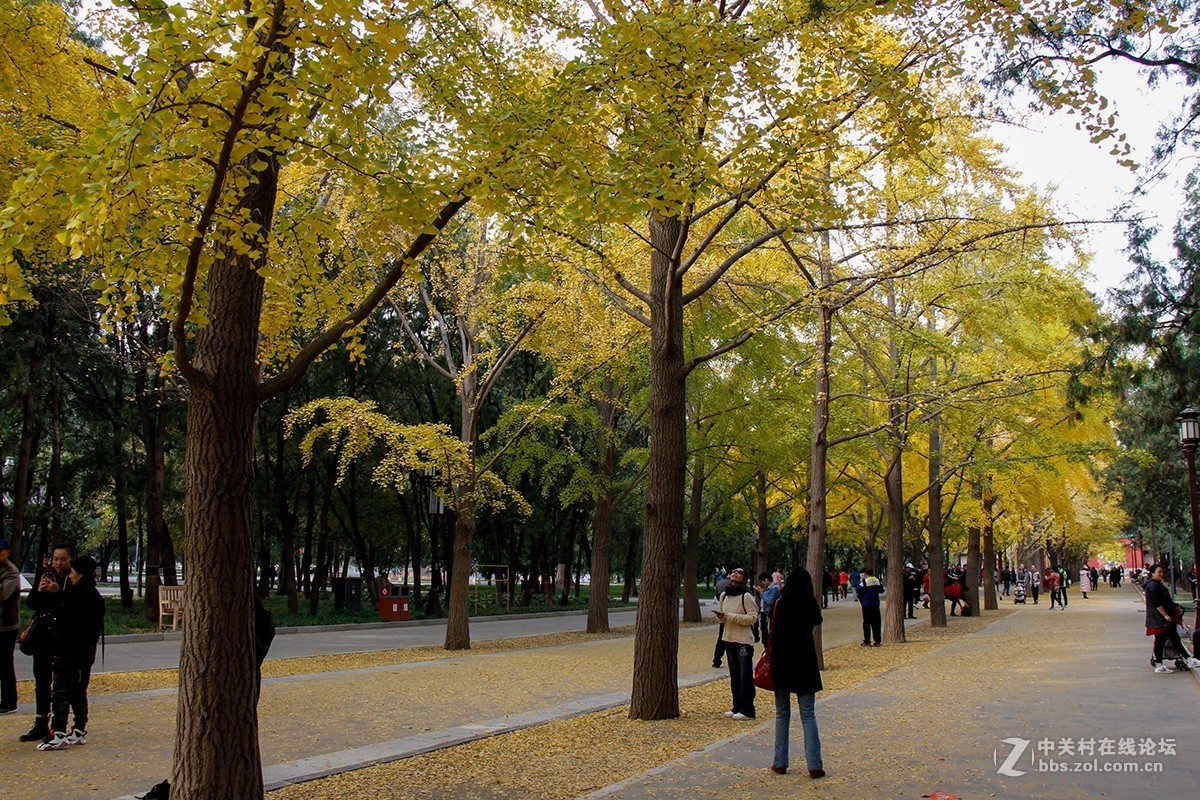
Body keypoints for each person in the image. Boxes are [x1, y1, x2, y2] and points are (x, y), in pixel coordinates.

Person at [38, 555, 105, 750]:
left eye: (73, 573)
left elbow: (68, 617)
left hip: (69, 650)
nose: (70, 576)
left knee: (60, 689)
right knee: (78, 690)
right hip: (85, 652)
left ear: (81, 574)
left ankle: (58, 731)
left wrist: (57, 594)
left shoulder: (77, 595)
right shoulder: (93, 596)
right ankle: (79, 729)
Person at [768, 567, 824, 779]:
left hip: (782, 662)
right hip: (805, 663)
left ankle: (780, 762)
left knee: (782, 714)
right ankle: (814, 765)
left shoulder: (780, 604)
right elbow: (817, 621)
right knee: (808, 715)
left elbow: (770, 630)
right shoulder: (809, 603)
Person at [20, 543, 73, 743]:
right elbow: (32, 604)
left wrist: (58, 592)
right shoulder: (46, 576)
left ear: (70, 560)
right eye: (56, 559)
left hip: (62, 639)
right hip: (43, 637)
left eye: (63, 559)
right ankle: (40, 722)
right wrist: (41, 591)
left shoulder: (73, 579)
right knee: (41, 680)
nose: (59, 563)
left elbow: (72, 608)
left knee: (61, 684)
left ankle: (60, 725)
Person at [715, 567, 758, 719]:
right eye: (734, 571)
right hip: (729, 638)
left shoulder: (746, 596)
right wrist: (721, 617)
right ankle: (737, 706)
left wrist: (731, 616)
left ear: (744, 579)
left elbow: (753, 617)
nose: (735, 573)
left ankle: (748, 709)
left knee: (745, 674)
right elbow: (722, 618)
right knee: (734, 675)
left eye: (740, 572)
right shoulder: (724, 595)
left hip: (743, 641)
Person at [1144, 564, 1200, 673]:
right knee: (1169, 640)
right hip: (1160, 620)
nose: (1161, 574)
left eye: (1162, 572)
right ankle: (1186, 660)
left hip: (1160, 619)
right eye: (1158, 572)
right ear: (1152, 573)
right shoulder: (1153, 586)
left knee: (1166, 640)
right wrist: (1165, 615)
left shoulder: (1154, 585)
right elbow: (1157, 603)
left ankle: (1162, 664)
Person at [0, 539, 20, 714]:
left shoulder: (11, 572)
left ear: (7, 552)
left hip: (6, 626)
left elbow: (2, 594)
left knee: (5, 663)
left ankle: (9, 702)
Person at [856, 568, 884, 646]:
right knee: (876, 623)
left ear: (865, 573)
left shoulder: (865, 581)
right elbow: (881, 590)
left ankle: (867, 640)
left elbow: (858, 590)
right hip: (875, 604)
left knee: (867, 623)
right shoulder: (876, 580)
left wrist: (861, 581)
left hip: (866, 604)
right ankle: (877, 640)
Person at [757, 571, 780, 646]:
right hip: (764, 612)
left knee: (768, 632)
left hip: (769, 613)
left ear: (766, 580)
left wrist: (761, 593)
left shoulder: (774, 588)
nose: (762, 583)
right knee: (763, 631)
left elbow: (770, 601)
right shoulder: (768, 588)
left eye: (763, 581)